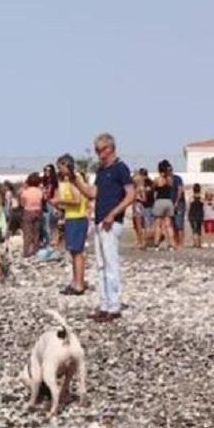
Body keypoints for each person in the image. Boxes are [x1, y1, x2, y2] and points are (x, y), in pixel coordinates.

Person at [73, 133, 136, 323]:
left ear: (110, 148)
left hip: (111, 221)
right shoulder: (101, 171)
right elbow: (94, 193)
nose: (99, 154)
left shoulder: (121, 169)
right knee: (101, 265)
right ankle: (104, 303)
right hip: (100, 220)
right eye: (96, 151)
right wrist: (76, 181)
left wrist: (113, 213)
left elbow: (130, 194)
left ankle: (114, 305)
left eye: (101, 150)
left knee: (110, 263)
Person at [53, 154, 90, 295]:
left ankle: (79, 284)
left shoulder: (76, 180)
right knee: (73, 252)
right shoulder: (65, 181)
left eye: (60, 167)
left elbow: (76, 201)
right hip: (71, 217)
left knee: (77, 252)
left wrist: (60, 201)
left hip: (78, 218)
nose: (59, 170)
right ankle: (75, 281)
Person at [19, 173, 45, 258]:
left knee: (27, 233)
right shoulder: (40, 191)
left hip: (28, 211)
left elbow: (22, 204)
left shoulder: (25, 192)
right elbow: (43, 201)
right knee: (36, 232)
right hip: (38, 211)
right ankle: (36, 250)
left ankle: (26, 252)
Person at [151, 165, 176, 251]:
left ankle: (156, 244)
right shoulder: (170, 179)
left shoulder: (157, 179)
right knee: (168, 224)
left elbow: (153, 188)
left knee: (158, 224)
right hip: (168, 201)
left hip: (160, 201)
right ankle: (171, 244)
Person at [188, 184, 205, 249]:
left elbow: (189, 206)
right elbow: (204, 204)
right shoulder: (201, 197)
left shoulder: (191, 197)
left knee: (194, 230)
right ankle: (199, 243)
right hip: (200, 214)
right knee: (199, 229)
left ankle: (195, 243)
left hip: (192, 214)